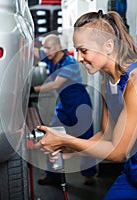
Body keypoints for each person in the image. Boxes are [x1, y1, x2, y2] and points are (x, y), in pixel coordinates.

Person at [36, 10, 137, 199]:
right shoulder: (108, 83)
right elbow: (106, 136)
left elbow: (118, 151)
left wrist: (65, 140)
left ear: (108, 46)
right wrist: (67, 152)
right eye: (76, 50)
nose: (79, 57)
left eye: (83, 50)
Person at [32, 34, 97, 186]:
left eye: (48, 48)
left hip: (80, 104)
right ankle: (52, 175)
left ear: (57, 48)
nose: (45, 51)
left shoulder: (69, 62)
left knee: (85, 138)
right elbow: (34, 51)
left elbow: (56, 84)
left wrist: (33, 89)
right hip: (64, 103)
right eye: (44, 48)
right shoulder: (50, 56)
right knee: (53, 136)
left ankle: (89, 174)